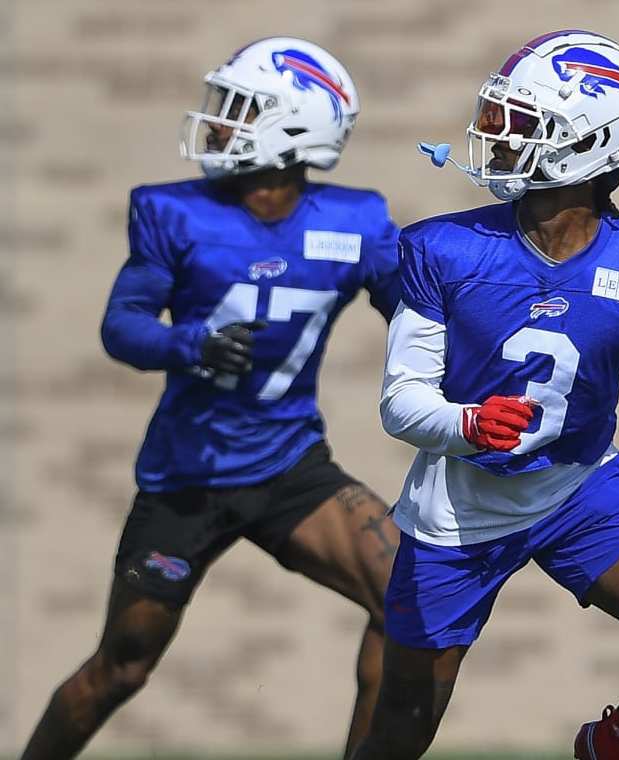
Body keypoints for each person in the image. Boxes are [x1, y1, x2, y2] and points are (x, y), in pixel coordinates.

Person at [346, 30, 619, 760]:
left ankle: (614, 743)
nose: (496, 136)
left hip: (578, 490)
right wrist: (467, 422)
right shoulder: (445, 249)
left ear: (591, 145)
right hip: (459, 506)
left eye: (522, 123)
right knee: (402, 728)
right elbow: (400, 402)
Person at [21, 37, 403, 760]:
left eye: (240, 108)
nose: (218, 122)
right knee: (122, 666)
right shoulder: (175, 212)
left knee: (411, 599)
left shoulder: (355, 221)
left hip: (291, 465)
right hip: (187, 475)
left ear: (296, 127)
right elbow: (122, 325)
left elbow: (417, 315)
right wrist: (187, 343)